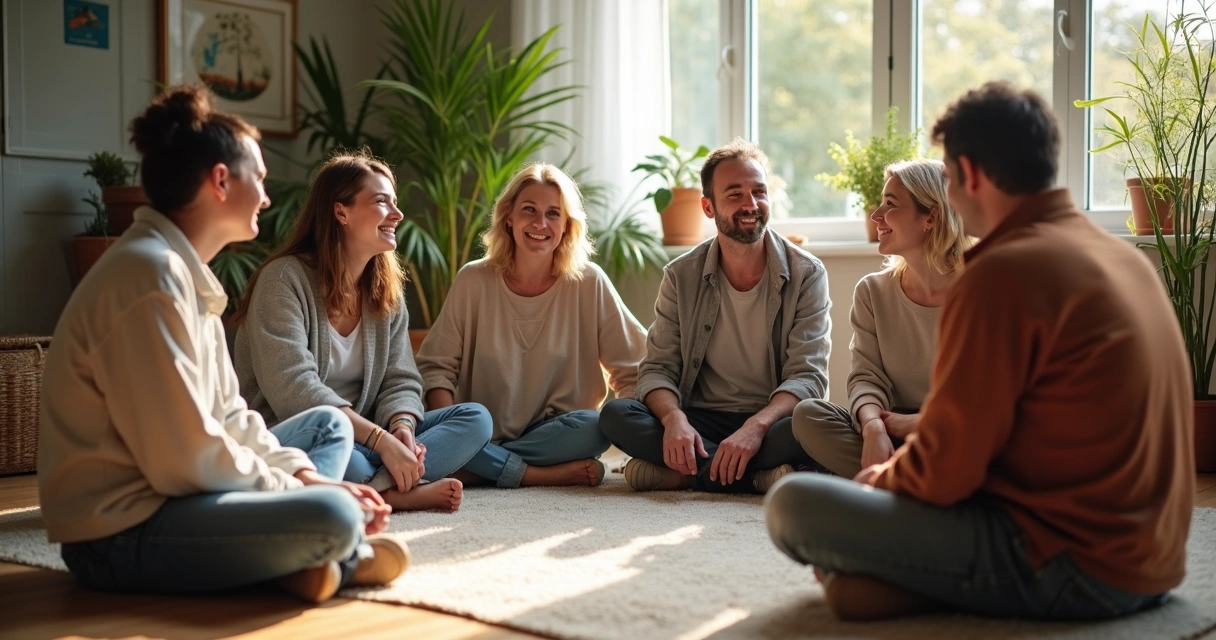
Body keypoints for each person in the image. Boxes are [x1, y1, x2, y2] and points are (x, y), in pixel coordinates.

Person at [765, 81, 1195, 622]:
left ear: (968, 174)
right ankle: (883, 585)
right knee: (857, 568)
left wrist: (876, 487)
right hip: (1158, 562)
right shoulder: (1124, 258)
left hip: (1075, 567)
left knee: (793, 505)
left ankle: (889, 579)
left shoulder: (999, 273)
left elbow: (948, 470)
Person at [38, 85, 407, 605]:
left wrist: (301, 473)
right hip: (118, 531)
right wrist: (307, 491)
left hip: (177, 496)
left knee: (326, 428)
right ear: (219, 181)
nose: (266, 195)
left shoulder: (185, 273)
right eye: (257, 178)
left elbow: (230, 417)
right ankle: (317, 550)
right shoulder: (150, 278)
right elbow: (185, 458)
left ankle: (304, 558)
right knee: (335, 513)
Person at [233, 150, 493, 512]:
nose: (398, 214)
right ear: (341, 212)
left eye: (395, 202)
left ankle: (381, 489)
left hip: (370, 436)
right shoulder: (282, 281)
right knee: (348, 459)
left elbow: (401, 379)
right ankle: (394, 491)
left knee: (475, 419)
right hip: (301, 433)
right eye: (382, 201)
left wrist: (401, 427)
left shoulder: (384, 289)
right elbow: (294, 390)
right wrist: (383, 442)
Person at [599, 138, 831, 494]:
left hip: (769, 421)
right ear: (708, 207)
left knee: (816, 423)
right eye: (735, 194)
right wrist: (675, 420)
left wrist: (755, 428)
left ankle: (686, 475)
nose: (750, 204)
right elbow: (658, 368)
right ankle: (756, 479)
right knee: (617, 415)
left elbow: (808, 377)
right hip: (699, 419)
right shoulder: (681, 275)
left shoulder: (807, 274)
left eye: (759, 192)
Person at [415, 163, 647, 488]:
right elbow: (435, 370)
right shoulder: (473, 280)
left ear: (567, 225)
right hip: (480, 431)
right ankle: (530, 475)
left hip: (558, 434)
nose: (540, 223)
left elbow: (635, 370)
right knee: (444, 429)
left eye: (553, 213)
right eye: (529, 210)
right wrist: (456, 432)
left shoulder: (589, 282)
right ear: (508, 216)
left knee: (595, 427)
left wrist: (638, 441)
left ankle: (477, 466)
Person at [792, 159, 969, 479]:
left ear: (931, 216)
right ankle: (923, 480)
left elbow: (987, 397)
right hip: (893, 429)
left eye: (890, 204)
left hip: (958, 429)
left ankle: (897, 480)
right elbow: (867, 377)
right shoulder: (873, 291)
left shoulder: (981, 289)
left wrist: (920, 423)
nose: (876, 216)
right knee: (809, 416)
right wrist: (874, 426)